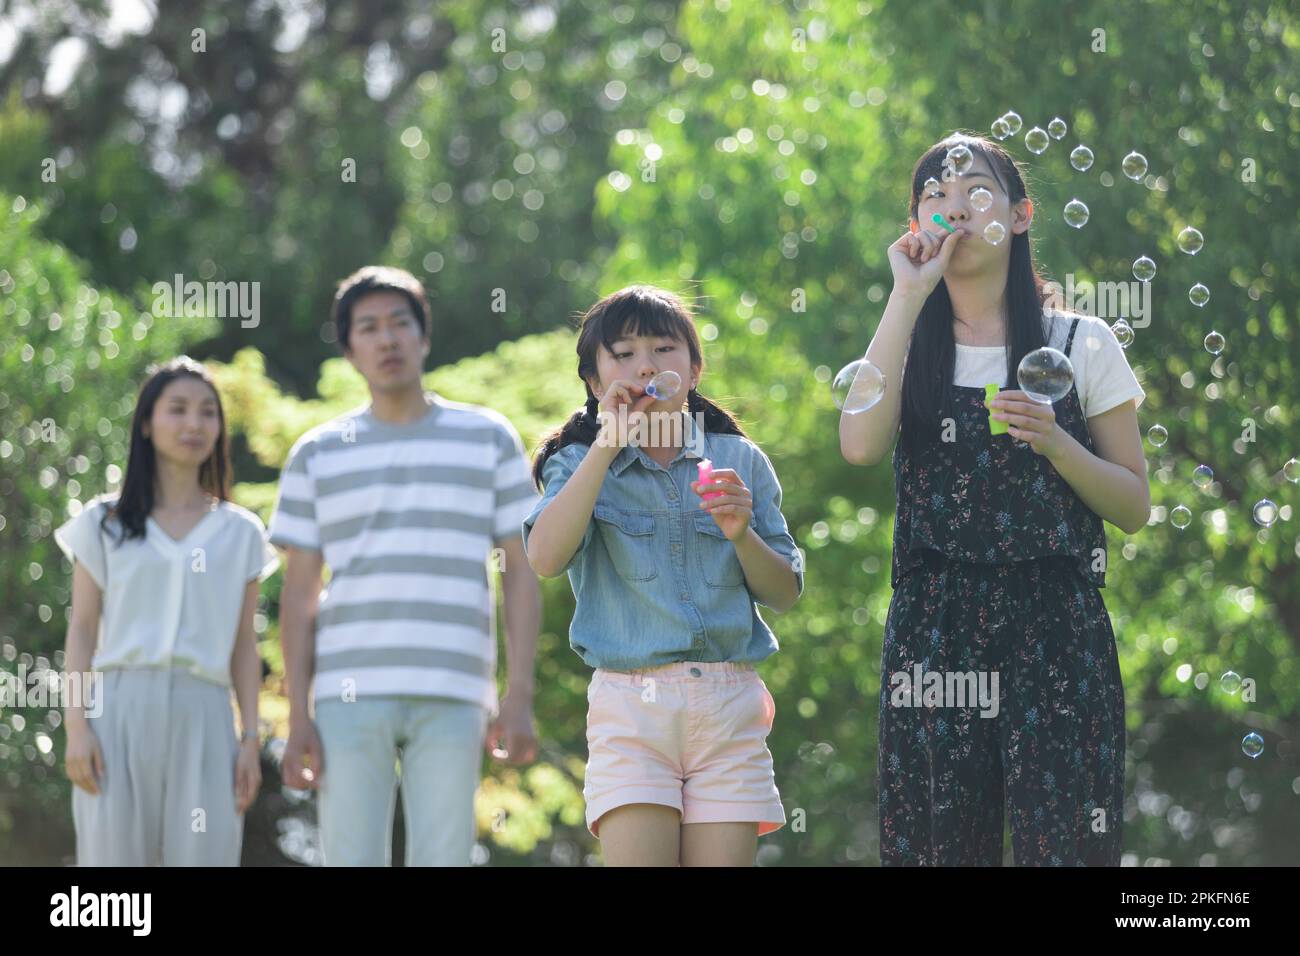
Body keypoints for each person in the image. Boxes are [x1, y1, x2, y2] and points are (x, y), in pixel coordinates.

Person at [841, 133, 1149, 865]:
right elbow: (857, 445)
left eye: (976, 190)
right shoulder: (904, 339)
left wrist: (1058, 444)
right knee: (936, 851)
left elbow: (1133, 504)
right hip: (934, 629)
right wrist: (906, 294)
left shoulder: (1082, 340)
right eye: (933, 194)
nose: (953, 205)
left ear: (1019, 215)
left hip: (1058, 624)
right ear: (916, 224)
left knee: (1066, 847)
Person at [271, 265, 541, 866]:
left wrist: (518, 691)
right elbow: (299, 595)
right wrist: (297, 715)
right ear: (349, 350)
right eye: (368, 328)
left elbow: (520, 570)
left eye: (399, 323)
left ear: (424, 336)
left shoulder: (488, 438)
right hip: (347, 692)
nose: (386, 339)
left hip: (455, 686)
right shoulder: (315, 453)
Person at [524, 285, 803, 866]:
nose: (645, 364)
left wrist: (739, 532)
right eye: (622, 353)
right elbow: (546, 558)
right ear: (596, 382)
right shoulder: (574, 461)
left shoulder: (740, 459)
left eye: (663, 348)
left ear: (694, 369)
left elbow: (784, 593)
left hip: (728, 705)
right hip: (631, 706)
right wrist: (607, 443)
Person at [57, 356, 276, 866]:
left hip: (205, 714)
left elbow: (246, 645)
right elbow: (82, 630)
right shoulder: (103, 522)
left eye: (208, 413)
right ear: (147, 424)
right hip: (117, 712)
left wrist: (249, 739)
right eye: (177, 410)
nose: (194, 424)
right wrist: (76, 727)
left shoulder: (240, 532)